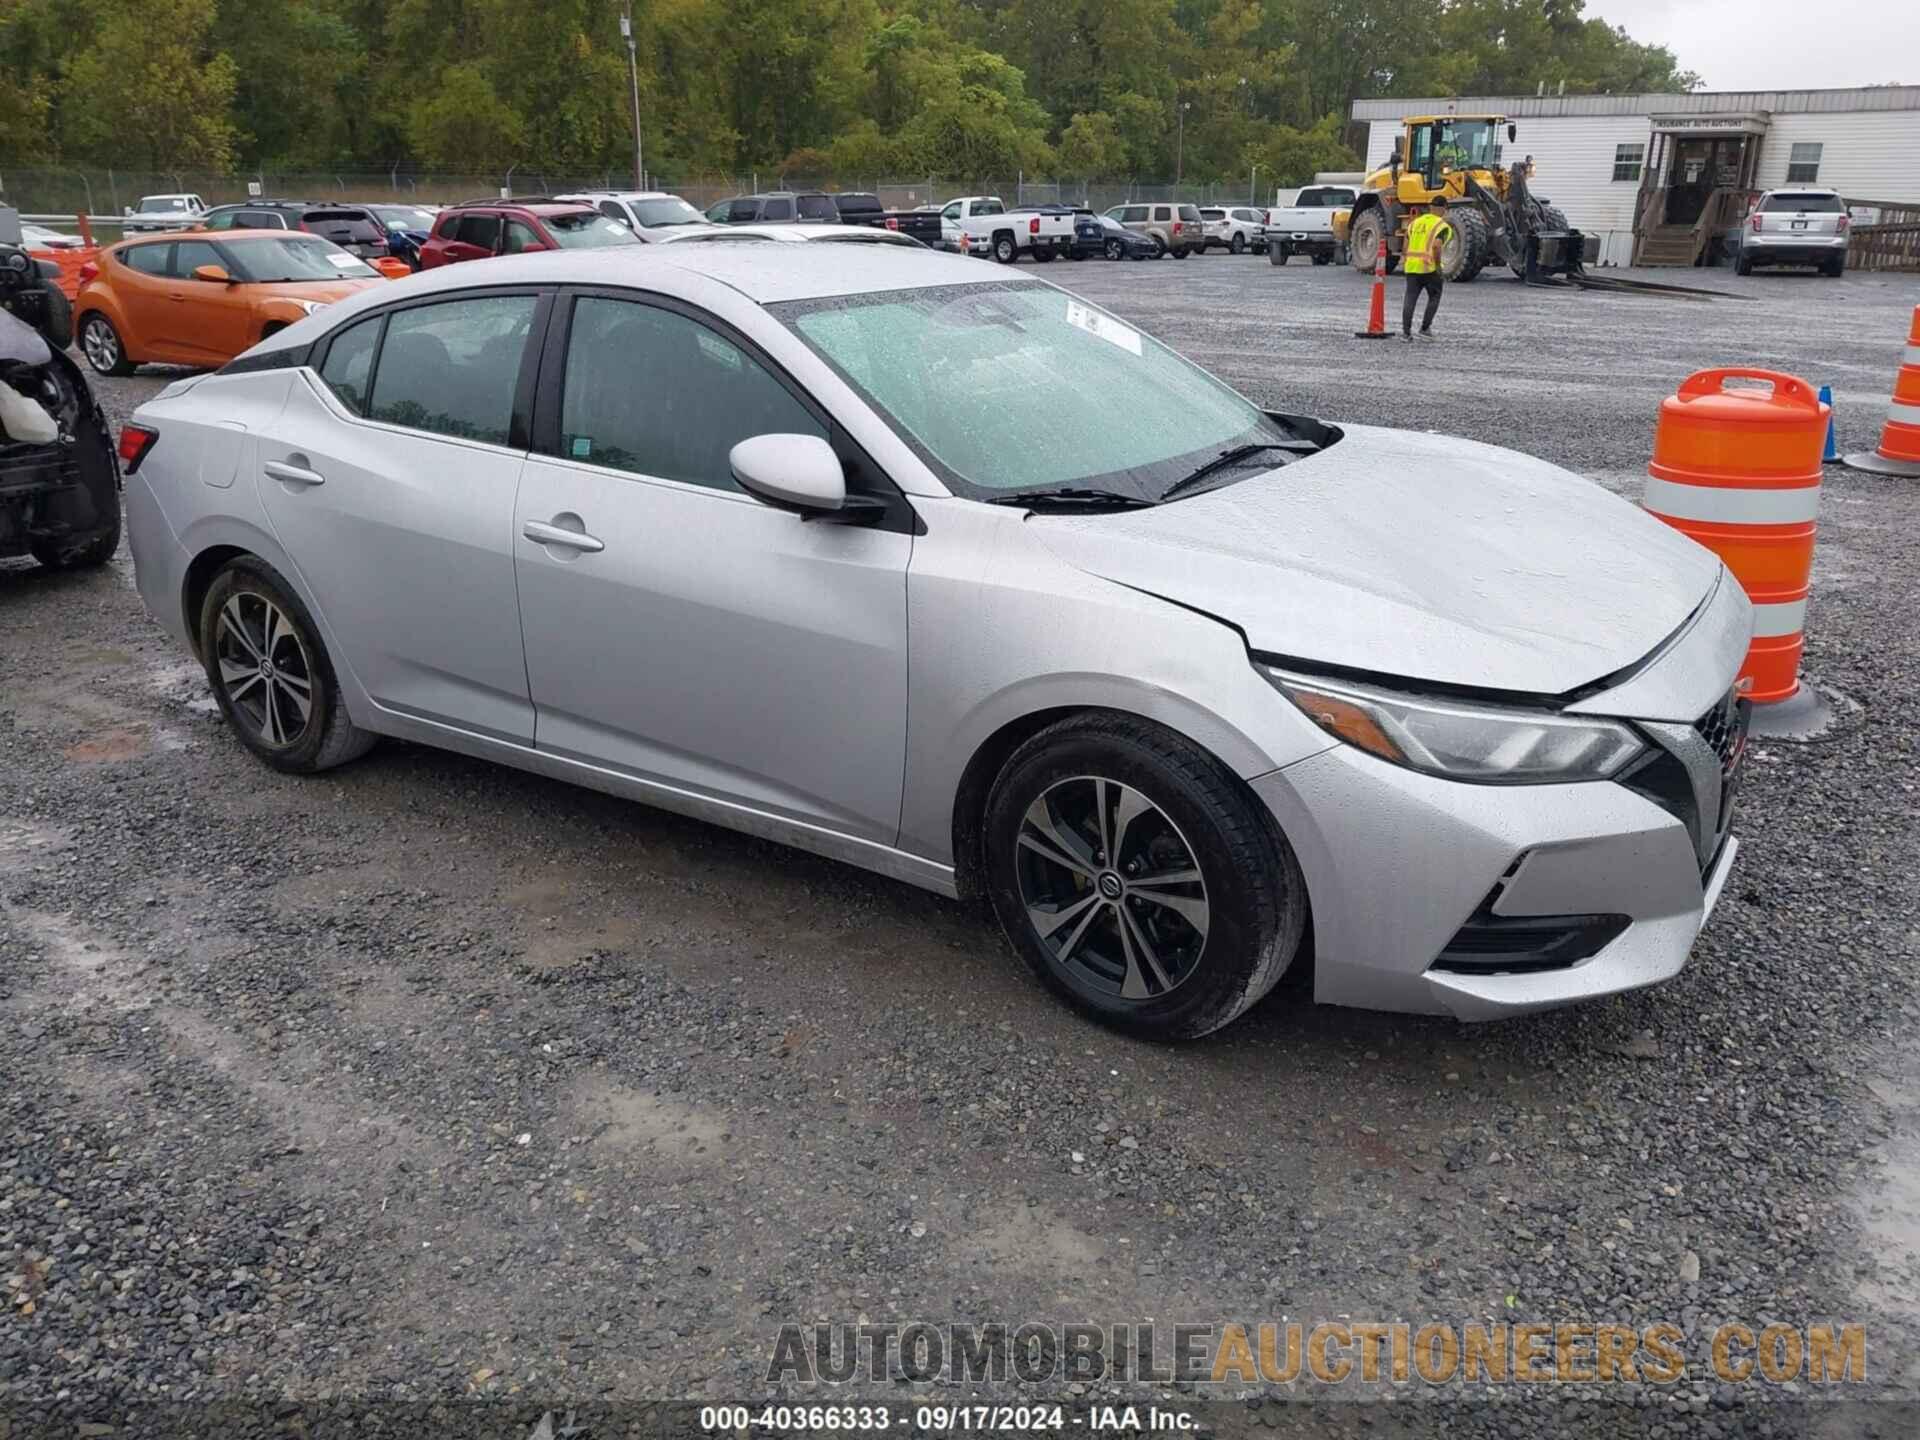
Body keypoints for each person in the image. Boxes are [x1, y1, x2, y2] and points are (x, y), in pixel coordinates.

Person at [1402, 197, 1451, 342]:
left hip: (1412, 267)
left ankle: (1406, 333)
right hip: (1429, 268)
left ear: (1430, 207)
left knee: (1410, 298)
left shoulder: (1414, 223)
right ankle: (1424, 329)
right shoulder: (1441, 226)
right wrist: (1437, 267)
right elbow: (1436, 246)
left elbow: (1405, 246)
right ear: (1444, 208)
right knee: (1434, 297)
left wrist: (1409, 259)